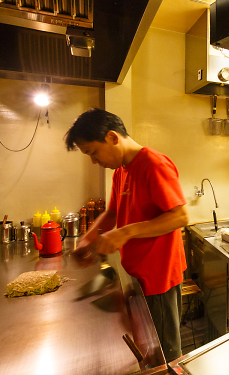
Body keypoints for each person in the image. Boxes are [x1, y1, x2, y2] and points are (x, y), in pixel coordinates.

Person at [65, 108, 188, 361]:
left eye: (93, 152)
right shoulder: (121, 171)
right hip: (137, 275)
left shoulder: (154, 164)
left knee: (165, 356)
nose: (94, 161)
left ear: (112, 137)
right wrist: (86, 240)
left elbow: (180, 217)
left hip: (159, 279)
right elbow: (112, 213)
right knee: (148, 351)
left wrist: (126, 233)